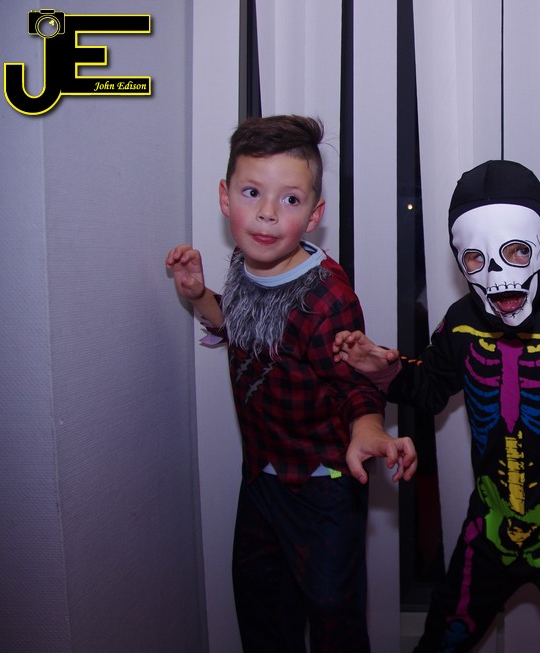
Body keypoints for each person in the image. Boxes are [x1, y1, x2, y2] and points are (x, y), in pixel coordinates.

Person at [334, 160, 540, 652]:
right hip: (490, 525)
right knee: (440, 640)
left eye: (517, 251)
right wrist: (382, 370)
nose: (498, 275)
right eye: (475, 258)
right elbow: (430, 387)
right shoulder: (461, 321)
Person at [165, 114, 416, 652]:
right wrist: (199, 296)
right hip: (261, 475)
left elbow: (355, 381)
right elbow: (240, 324)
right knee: (260, 606)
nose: (267, 213)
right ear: (225, 197)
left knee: (332, 614)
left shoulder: (327, 297)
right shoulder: (245, 260)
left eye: (290, 200)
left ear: (315, 215)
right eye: (252, 192)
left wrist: (369, 427)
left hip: (323, 486)